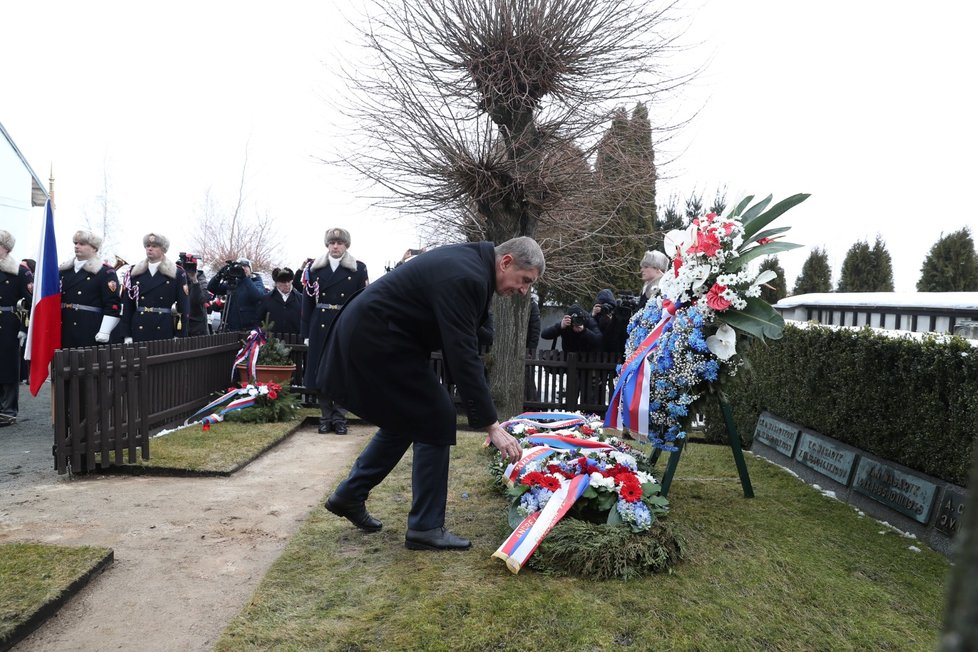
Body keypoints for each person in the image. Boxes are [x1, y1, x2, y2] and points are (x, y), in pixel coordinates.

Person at [318, 236, 543, 551]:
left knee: (411, 418)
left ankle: (350, 495)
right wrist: (492, 425)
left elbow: (472, 325)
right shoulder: (467, 274)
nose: (524, 291)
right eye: (524, 280)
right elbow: (462, 354)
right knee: (437, 414)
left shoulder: (474, 267)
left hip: (382, 335)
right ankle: (425, 527)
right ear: (506, 262)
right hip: (375, 337)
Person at [301, 228, 368, 435]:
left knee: (342, 372)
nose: (335, 246)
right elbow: (307, 303)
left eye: (339, 242)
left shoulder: (358, 268)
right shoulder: (314, 269)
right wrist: (306, 334)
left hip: (344, 323)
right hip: (319, 324)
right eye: (332, 243)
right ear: (327, 245)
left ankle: (340, 418)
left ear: (346, 245)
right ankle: (325, 417)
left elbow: (363, 301)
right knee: (320, 372)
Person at [119, 233, 190, 343]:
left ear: (163, 249)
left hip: (163, 327)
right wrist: (127, 334)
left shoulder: (177, 273)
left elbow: (183, 308)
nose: (150, 249)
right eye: (147, 246)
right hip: (139, 326)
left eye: (154, 246)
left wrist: (179, 334)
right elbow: (128, 306)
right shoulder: (135, 271)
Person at [59, 230, 122, 348]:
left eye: (82, 244)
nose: (77, 246)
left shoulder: (104, 272)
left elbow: (112, 304)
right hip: (65, 324)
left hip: (89, 327)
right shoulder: (64, 270)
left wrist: (105, 330)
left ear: (94, 248)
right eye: (75, 243)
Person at [0, 231, 32, 426]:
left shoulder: (20, 271)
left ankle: (7, 410)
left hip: (9, 322)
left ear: (6, 247)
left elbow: (30, 303)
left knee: (8, 367)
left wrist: (24, 327)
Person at [207, 257, 266, 331]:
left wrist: (245, 279)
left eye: (245, 266)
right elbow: (212, 288)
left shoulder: (256, 281)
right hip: (231, 327)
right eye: (240, 267)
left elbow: (258, 296)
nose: (242, 268)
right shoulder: (234, 283)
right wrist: (219, 275)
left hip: (248, 329)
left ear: (251, 270)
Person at [258, 267, 301, 335]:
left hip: (296, 341)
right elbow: (259, 320)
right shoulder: (266, 299)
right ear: (276, 282)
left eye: (289, 281)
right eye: (283, 282)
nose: (287, 284)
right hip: (272, 342)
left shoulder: (300, 298)